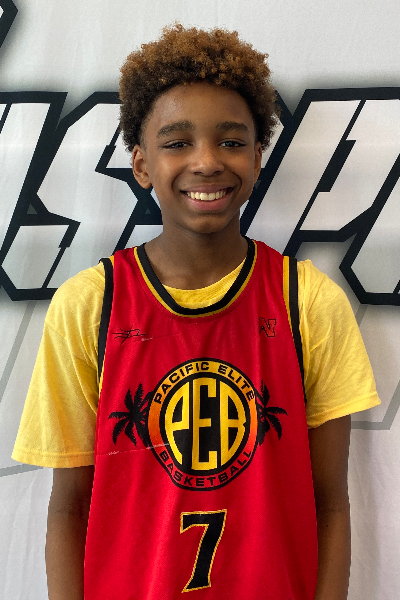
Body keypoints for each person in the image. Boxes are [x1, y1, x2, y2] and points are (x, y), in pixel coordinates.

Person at [13, 24, 380, 600]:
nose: (207, 162)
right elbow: (68, 508)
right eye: (177, 142)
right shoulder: (90, 305)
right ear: (140, 165)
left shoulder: (308, 301)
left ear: (258, 158)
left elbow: (330, 502)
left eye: (231, 142)